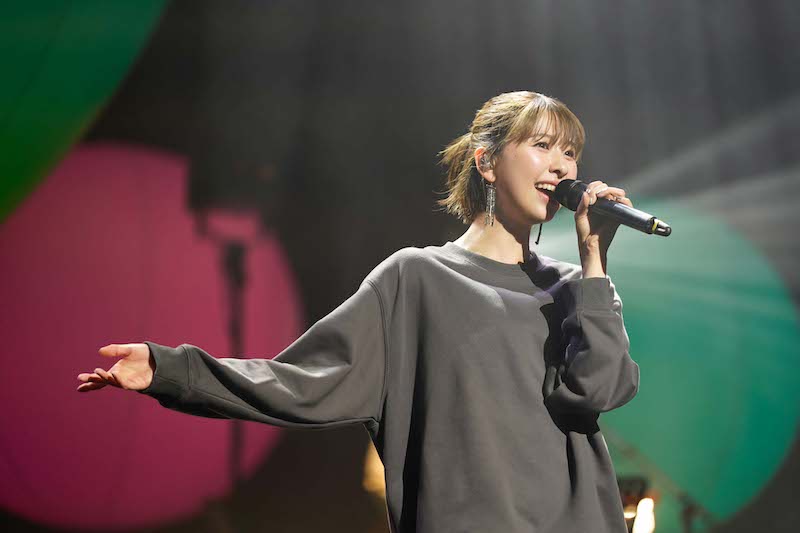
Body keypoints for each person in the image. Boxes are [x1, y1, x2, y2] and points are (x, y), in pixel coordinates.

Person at [77, 91, 640, 533]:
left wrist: (594, 258)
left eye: (571, 153)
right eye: (542, 145)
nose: (562, 166)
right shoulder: (417, 278)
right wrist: (169, 369)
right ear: (486, 161)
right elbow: (299, 381)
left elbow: (601, 391)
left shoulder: (578, 287)